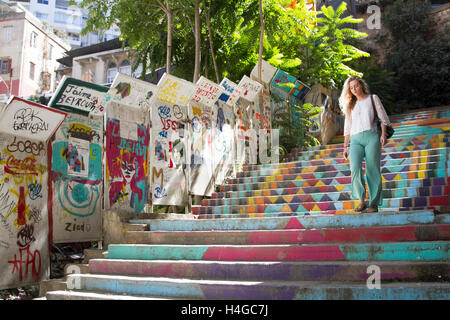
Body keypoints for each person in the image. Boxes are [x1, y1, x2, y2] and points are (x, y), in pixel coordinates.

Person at [339, 76, 391, 213]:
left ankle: (373, 204)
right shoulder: (350, 104)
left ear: (361, 85)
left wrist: (383, 134)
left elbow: (383, 118)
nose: (354, 89)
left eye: (356, 86)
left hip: (372, 136)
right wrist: (345, 146)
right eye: (351, 87)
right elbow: (347, 127)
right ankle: (361, 201)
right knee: (355, 167)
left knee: (372, 168)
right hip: (355, 140)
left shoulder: (373, 98)